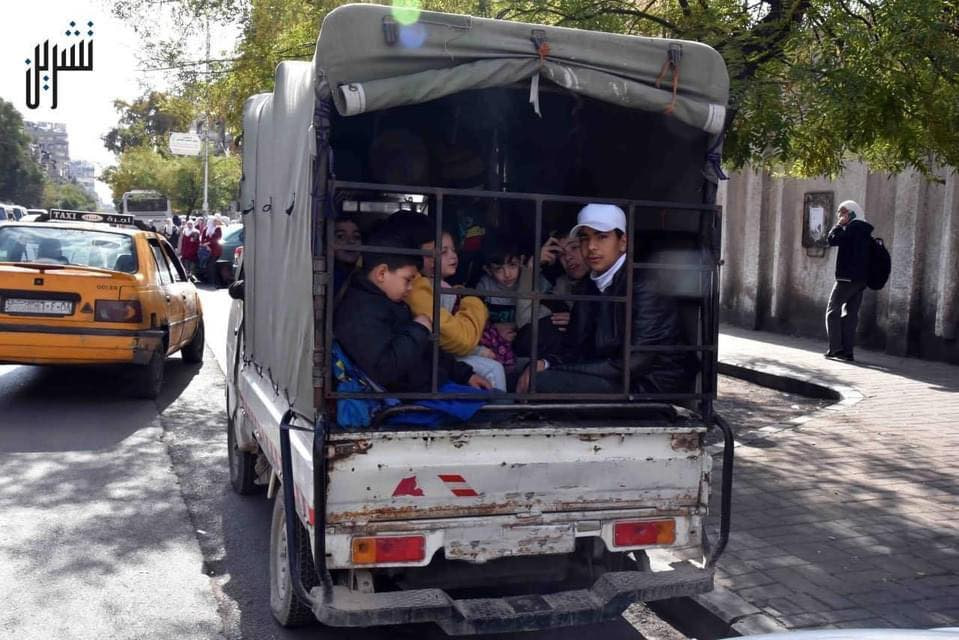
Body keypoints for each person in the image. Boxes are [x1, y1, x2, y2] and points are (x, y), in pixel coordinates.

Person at [516, 203, 692, 395]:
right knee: (519, 372)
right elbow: (574, 349)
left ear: (623, 242)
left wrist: (554, 370)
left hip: (648, 385)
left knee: (542, 382)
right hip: (613, 377)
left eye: (602, 237)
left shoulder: (645, 284)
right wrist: (545, 363)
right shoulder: (589, 287)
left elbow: (634, 363)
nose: (591, 247)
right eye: (585, 238)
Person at [334, 230, 491, 393]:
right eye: (408, 280)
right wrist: (418, 329)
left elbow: (428, 351)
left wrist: (465, 375)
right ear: (381, 273)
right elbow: (385, 369)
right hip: (407, 399)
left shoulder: (389, 302)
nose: (410, 288)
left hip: (427, 386)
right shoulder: (360, 311)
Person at [407, 228, 507, 391]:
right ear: (426, 259)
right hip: (445, 357)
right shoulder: (434, 289)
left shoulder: (445, 287)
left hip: (448, 355)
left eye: (453, 250)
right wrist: (479, 350)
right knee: (494, 369)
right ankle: (502, 415)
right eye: (444, 252)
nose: (453, 256)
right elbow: (447, 338)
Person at [825, 200, 874, 362]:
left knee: (832, 310)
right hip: (861, 280)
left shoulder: (853, 228)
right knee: (851, 314)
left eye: (843, 213)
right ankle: (848, 351)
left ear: (852, 213)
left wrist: (838, 226)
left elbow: (832, 240)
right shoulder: (865, 229)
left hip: (846, 278)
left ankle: (836, 348)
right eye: (839, 213)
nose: (840, 216)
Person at [333, 216, 362, 296]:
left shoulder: (366, 275)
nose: (351, 241)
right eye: (341, 236)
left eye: (356, 237)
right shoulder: (329, 276)